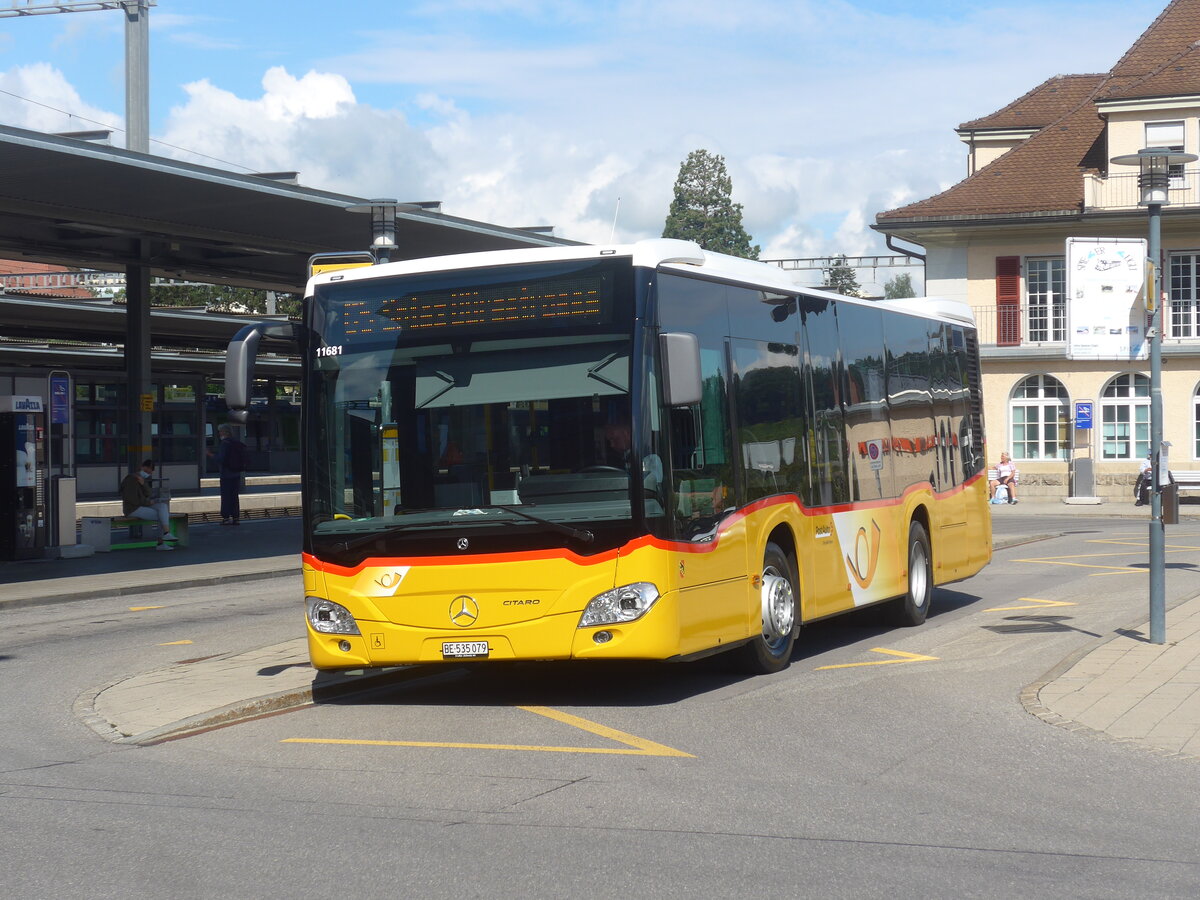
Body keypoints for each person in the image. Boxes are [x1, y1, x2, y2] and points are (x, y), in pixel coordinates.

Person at [120, 459, 178, 551]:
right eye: (147, 471)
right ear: (142, 467)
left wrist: (143, 484)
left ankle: (166, 533)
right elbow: (131, 498)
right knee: (161, 516)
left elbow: (149, 493)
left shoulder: (142, 479)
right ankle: (161, 543)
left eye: (149, 472)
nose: (148, 473)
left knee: (163, 507)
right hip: (132, 509)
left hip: (141, 505)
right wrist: (148, 503)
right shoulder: (131, 479)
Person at [210, 424, 244, 526]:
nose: (219, 433)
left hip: (226, 475)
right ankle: (236, 518)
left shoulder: (225, 444)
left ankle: (226, 518)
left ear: (225, 432)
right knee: (234, 497)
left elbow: (221, 459)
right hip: (236, 474)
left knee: (226, 497)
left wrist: (210, 455)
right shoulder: (236, 442)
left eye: (220, 431)